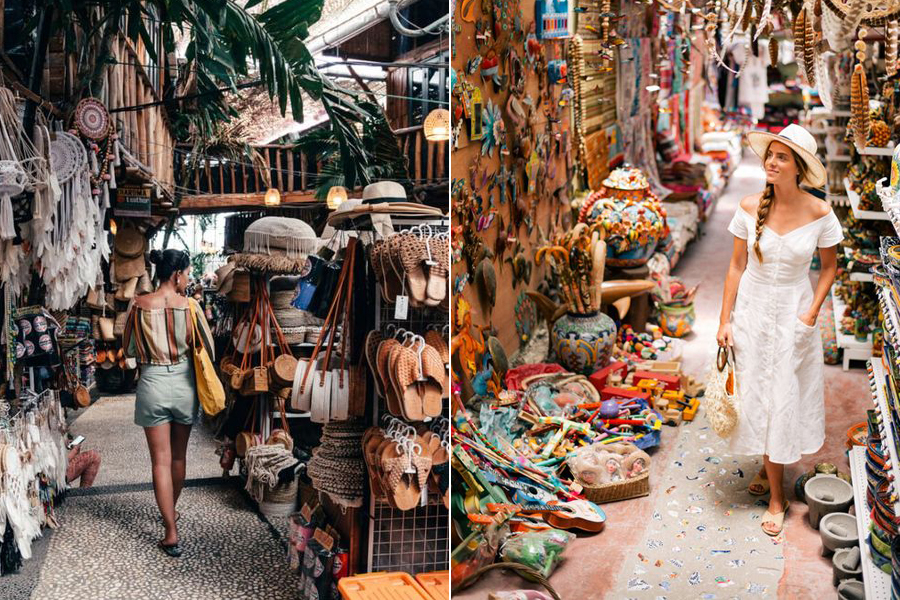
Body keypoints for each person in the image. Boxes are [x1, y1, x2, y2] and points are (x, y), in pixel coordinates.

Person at [716, 124, 843, 537]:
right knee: (757, 389)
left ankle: (777, 497)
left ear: (799, 167)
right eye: (769, 155)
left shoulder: (821, 213)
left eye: (781, 157)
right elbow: (736, 267)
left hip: (793, 311)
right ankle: (767, 469)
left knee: (782, 393)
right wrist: (724, 320)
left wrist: (811, 314)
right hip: (753, 308)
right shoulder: (750, 206)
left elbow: (829, 269)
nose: (771, 162)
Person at [122, 248, 215, 557]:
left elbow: (130, 349)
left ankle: (170, 530)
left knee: (160, 461)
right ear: (176, 275)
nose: (188, 279)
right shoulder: (190, 307)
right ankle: (170, 514)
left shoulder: (138, 305)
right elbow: (208, 349)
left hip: (152, 384)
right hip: (183, 386)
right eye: (187, 274)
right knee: (178, 458)